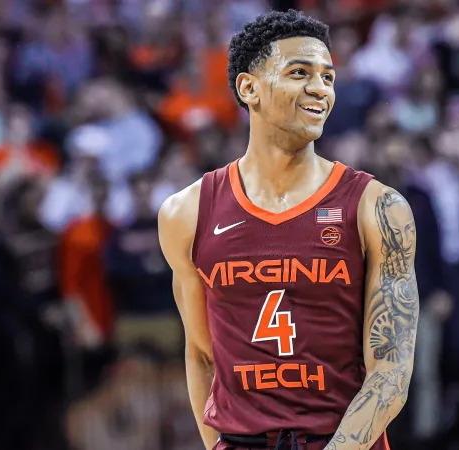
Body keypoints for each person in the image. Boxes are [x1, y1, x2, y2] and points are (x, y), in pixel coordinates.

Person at [158, 9, 418, 450]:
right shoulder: (187, 211)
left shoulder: (377, 207)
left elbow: (391, 371)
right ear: (249, 88)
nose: (320, 89)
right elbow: (202, 356)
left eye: (328, 77)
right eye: (300, 73)